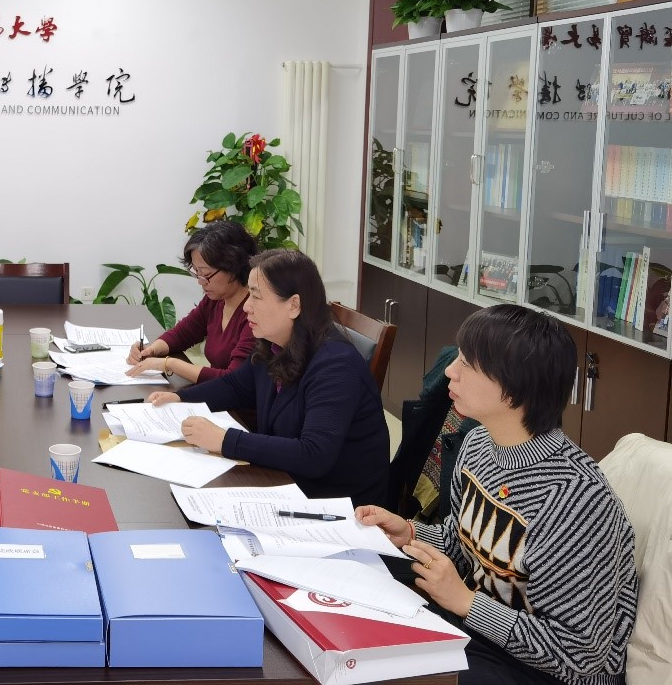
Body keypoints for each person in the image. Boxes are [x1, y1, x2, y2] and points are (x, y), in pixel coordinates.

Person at [356, 305, 637, 685]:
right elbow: (467, 544)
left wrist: (466, 602)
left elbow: (579, 656)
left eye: (467, 364)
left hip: (549, 673)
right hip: (481, 631)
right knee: (360, 622)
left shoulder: (577, 500)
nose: (450, 371)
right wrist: (410, 533)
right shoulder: (477, 445)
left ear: (514, 388)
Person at [147, 248, 389, 506]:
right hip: (286, 482)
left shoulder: (336, 365)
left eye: (256, 296)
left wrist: (225, 440)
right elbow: (236, 386)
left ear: (293, 305)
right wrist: (180, 398)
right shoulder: (274, 342)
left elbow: (314, 455)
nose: (246, 307)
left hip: (338, 505)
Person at [125, 220, 257, 383]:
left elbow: (233, 380)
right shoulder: (216, 300)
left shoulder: (255, 313)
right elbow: (183, 334)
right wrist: (151, 350)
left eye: (206, 274)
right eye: (196, 272)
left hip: (236, 398)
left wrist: (169, 364)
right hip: (216, 392)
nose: (201, 281)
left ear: (234, 267)